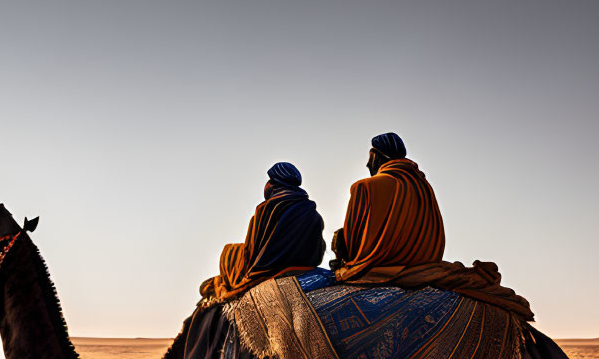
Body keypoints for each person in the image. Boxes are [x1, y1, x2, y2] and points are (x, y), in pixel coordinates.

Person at [331, 134, 533, 320]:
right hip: (426, 266)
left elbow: (355, 245)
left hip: (378, 270)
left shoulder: (363, 187)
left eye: (370, 156)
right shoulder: (423, 185)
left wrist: (343, 257)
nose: (367, 164)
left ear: (376, 156)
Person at [199, 161, 326, 305]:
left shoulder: (266, 210)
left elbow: (250, 251)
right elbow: (319, 249)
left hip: (272, 273)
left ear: (273, 183)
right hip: (310, 267)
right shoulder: (313, 212)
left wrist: (245, 275)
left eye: (269, 181)